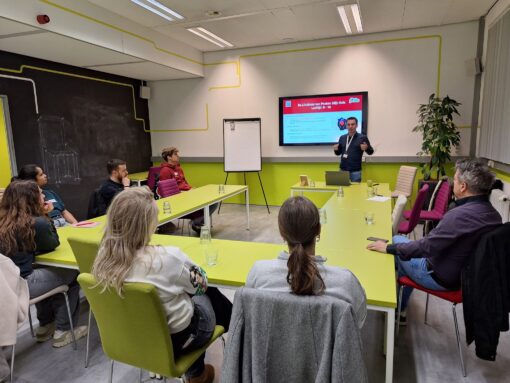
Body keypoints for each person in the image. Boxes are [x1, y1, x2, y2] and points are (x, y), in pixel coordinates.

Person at [92, 187, 217, 383]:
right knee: (206, 294)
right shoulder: (167, 258)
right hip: (177, 338)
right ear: (147, 223)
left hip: (128, 337)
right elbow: (201, 285)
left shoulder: (102, 257)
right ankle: (198, 374)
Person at [367, 158, 502, 323]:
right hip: (465, 279)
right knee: (400, 246)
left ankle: (394, 307)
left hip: (439, 276)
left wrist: (388, 248)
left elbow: (426, 247)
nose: (453, 183)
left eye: (456, 179)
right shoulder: (494, 215)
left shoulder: (459, 216)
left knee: (396, 245)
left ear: (463, 186)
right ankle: (399, 310)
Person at [246, 196, 367, 328]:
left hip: (271, 348)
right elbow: (358, 322)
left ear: (282, 233)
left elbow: (251, 315)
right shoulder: (346, 281)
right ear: (319, 229)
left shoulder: (259, 273)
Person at [0, 180, 87, 348]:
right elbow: (52, 243)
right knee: (74, 273)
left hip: (6, 284)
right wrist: (45, 215)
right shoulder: (36, 222)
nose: (44, 196)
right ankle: (64, 330)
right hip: (22, 284)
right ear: (30, 198)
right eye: (40, 193)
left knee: (41, 269)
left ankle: (46, 325)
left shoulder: (5, 221)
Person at [159, 147, 217, 233]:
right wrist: (185, 193)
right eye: (175, 154)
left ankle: (198, 221)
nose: (178, 156)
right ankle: (197, 223)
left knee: (213, 201)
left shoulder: (179, 168)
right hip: (178, 202)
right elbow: (167, 194)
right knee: (208, 203)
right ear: (169, 157)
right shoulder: (165, 171)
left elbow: (185, 183)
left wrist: (191, 189)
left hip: (186, 196)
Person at [333, 117, 374, 182]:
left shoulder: (362, 137)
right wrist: (335, 150)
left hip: (355, 171)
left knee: (356, 191)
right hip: (343, 170)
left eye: (352, 124)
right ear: (346, 126)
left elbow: (371, 152)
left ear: (357, 125)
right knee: (343, 190)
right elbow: (338, 153)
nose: (350, 126)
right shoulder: (342, 138)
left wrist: (366, 148)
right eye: (348, 124)